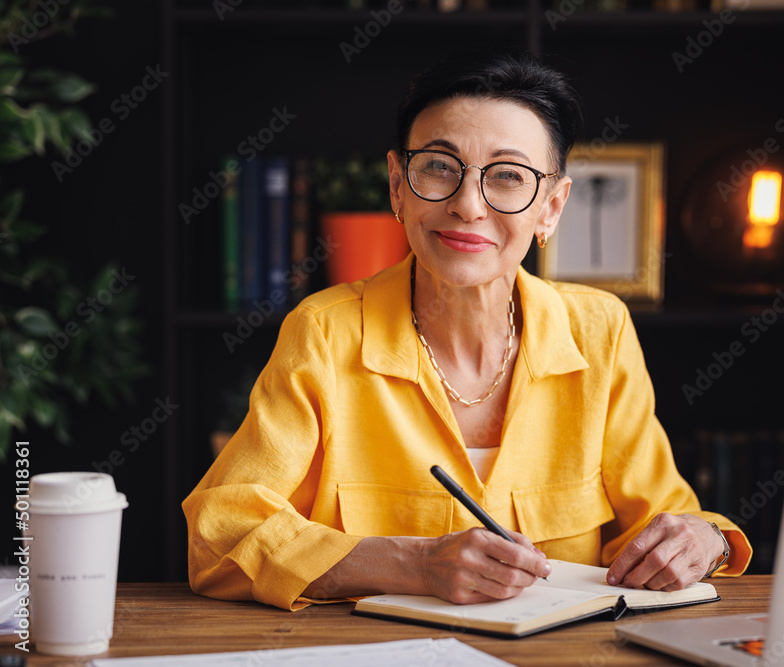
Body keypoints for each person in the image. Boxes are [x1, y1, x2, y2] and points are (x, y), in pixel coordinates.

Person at [183, 48, 751, 612]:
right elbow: (221, 537)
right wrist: (414, 565)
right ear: (398, 186)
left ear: (551, 208)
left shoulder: (599, 331)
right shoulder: (324, 335)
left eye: (507, 177)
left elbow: (664, 522)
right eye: (438, 167)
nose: (468, 205)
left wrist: (707, 540)